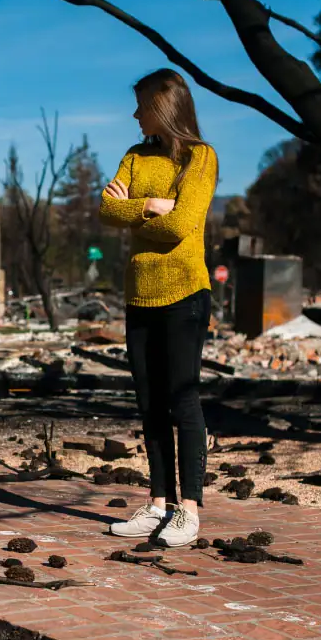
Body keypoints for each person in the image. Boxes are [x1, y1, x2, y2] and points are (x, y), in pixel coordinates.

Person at [99, 68, 218, 547]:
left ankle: (188, 510)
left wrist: (141, 210)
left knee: (182, 398)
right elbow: (107, 209)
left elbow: (182, 226)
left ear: (163, 107)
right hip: (139, 294)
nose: (134, 114)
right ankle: (158, 504)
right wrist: (152, 205)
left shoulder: (200, 157)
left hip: (186, 293)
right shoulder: (134, 155)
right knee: (149, 403)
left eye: (141, 105)